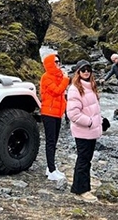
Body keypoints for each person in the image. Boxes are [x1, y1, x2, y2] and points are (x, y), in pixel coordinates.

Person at [66, 60, 102, 202]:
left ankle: (79, 187)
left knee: (86, 160)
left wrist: (101, 120)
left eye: (88, 69)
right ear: (78, 72)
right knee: (83, 160)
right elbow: (73, 114)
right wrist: (90, 122)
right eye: (83, 70)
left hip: (91, 131)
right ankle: (82, 190)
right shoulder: (75, 89)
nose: (86, 72)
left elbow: (93, 108)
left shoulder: (91, 86)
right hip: (83, 131)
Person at [39, 52, 69, 181]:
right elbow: (57, 92)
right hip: (49, 113)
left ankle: (50, 167)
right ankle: (51, 170)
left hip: (57, 113)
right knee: (50, 142)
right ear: (50, 64)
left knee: (55, 141)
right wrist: (66, 80)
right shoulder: (46, 77)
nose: (59, 64)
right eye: (56, 62)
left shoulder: (59, 76)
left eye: (59, 61)